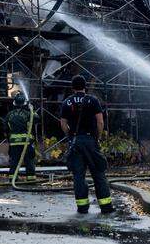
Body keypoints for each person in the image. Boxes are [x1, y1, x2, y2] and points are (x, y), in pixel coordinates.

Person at [60, 75, 113, 214]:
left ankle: (82, 207)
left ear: (72, 87)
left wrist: (70, 136)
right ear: (85, 86)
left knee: (78, 175)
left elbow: (63, 123)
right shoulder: (92, 100)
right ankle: (106, 207)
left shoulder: (67, 102)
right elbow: (100, 122)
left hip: (75, 142)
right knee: (98, 173)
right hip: (91, 141)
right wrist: (97, 137)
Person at [5, 91, 36, 182]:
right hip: (26, 142)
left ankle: (12, 178)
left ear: (14, 103)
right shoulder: (28, 113)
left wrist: (9, 140)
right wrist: (31, 109)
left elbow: (5, 129)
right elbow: (38, 119)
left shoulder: (9, 114)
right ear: (24, 103)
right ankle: (31, 179)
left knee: (14, 161)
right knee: (29, 161)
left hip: (14, 142)